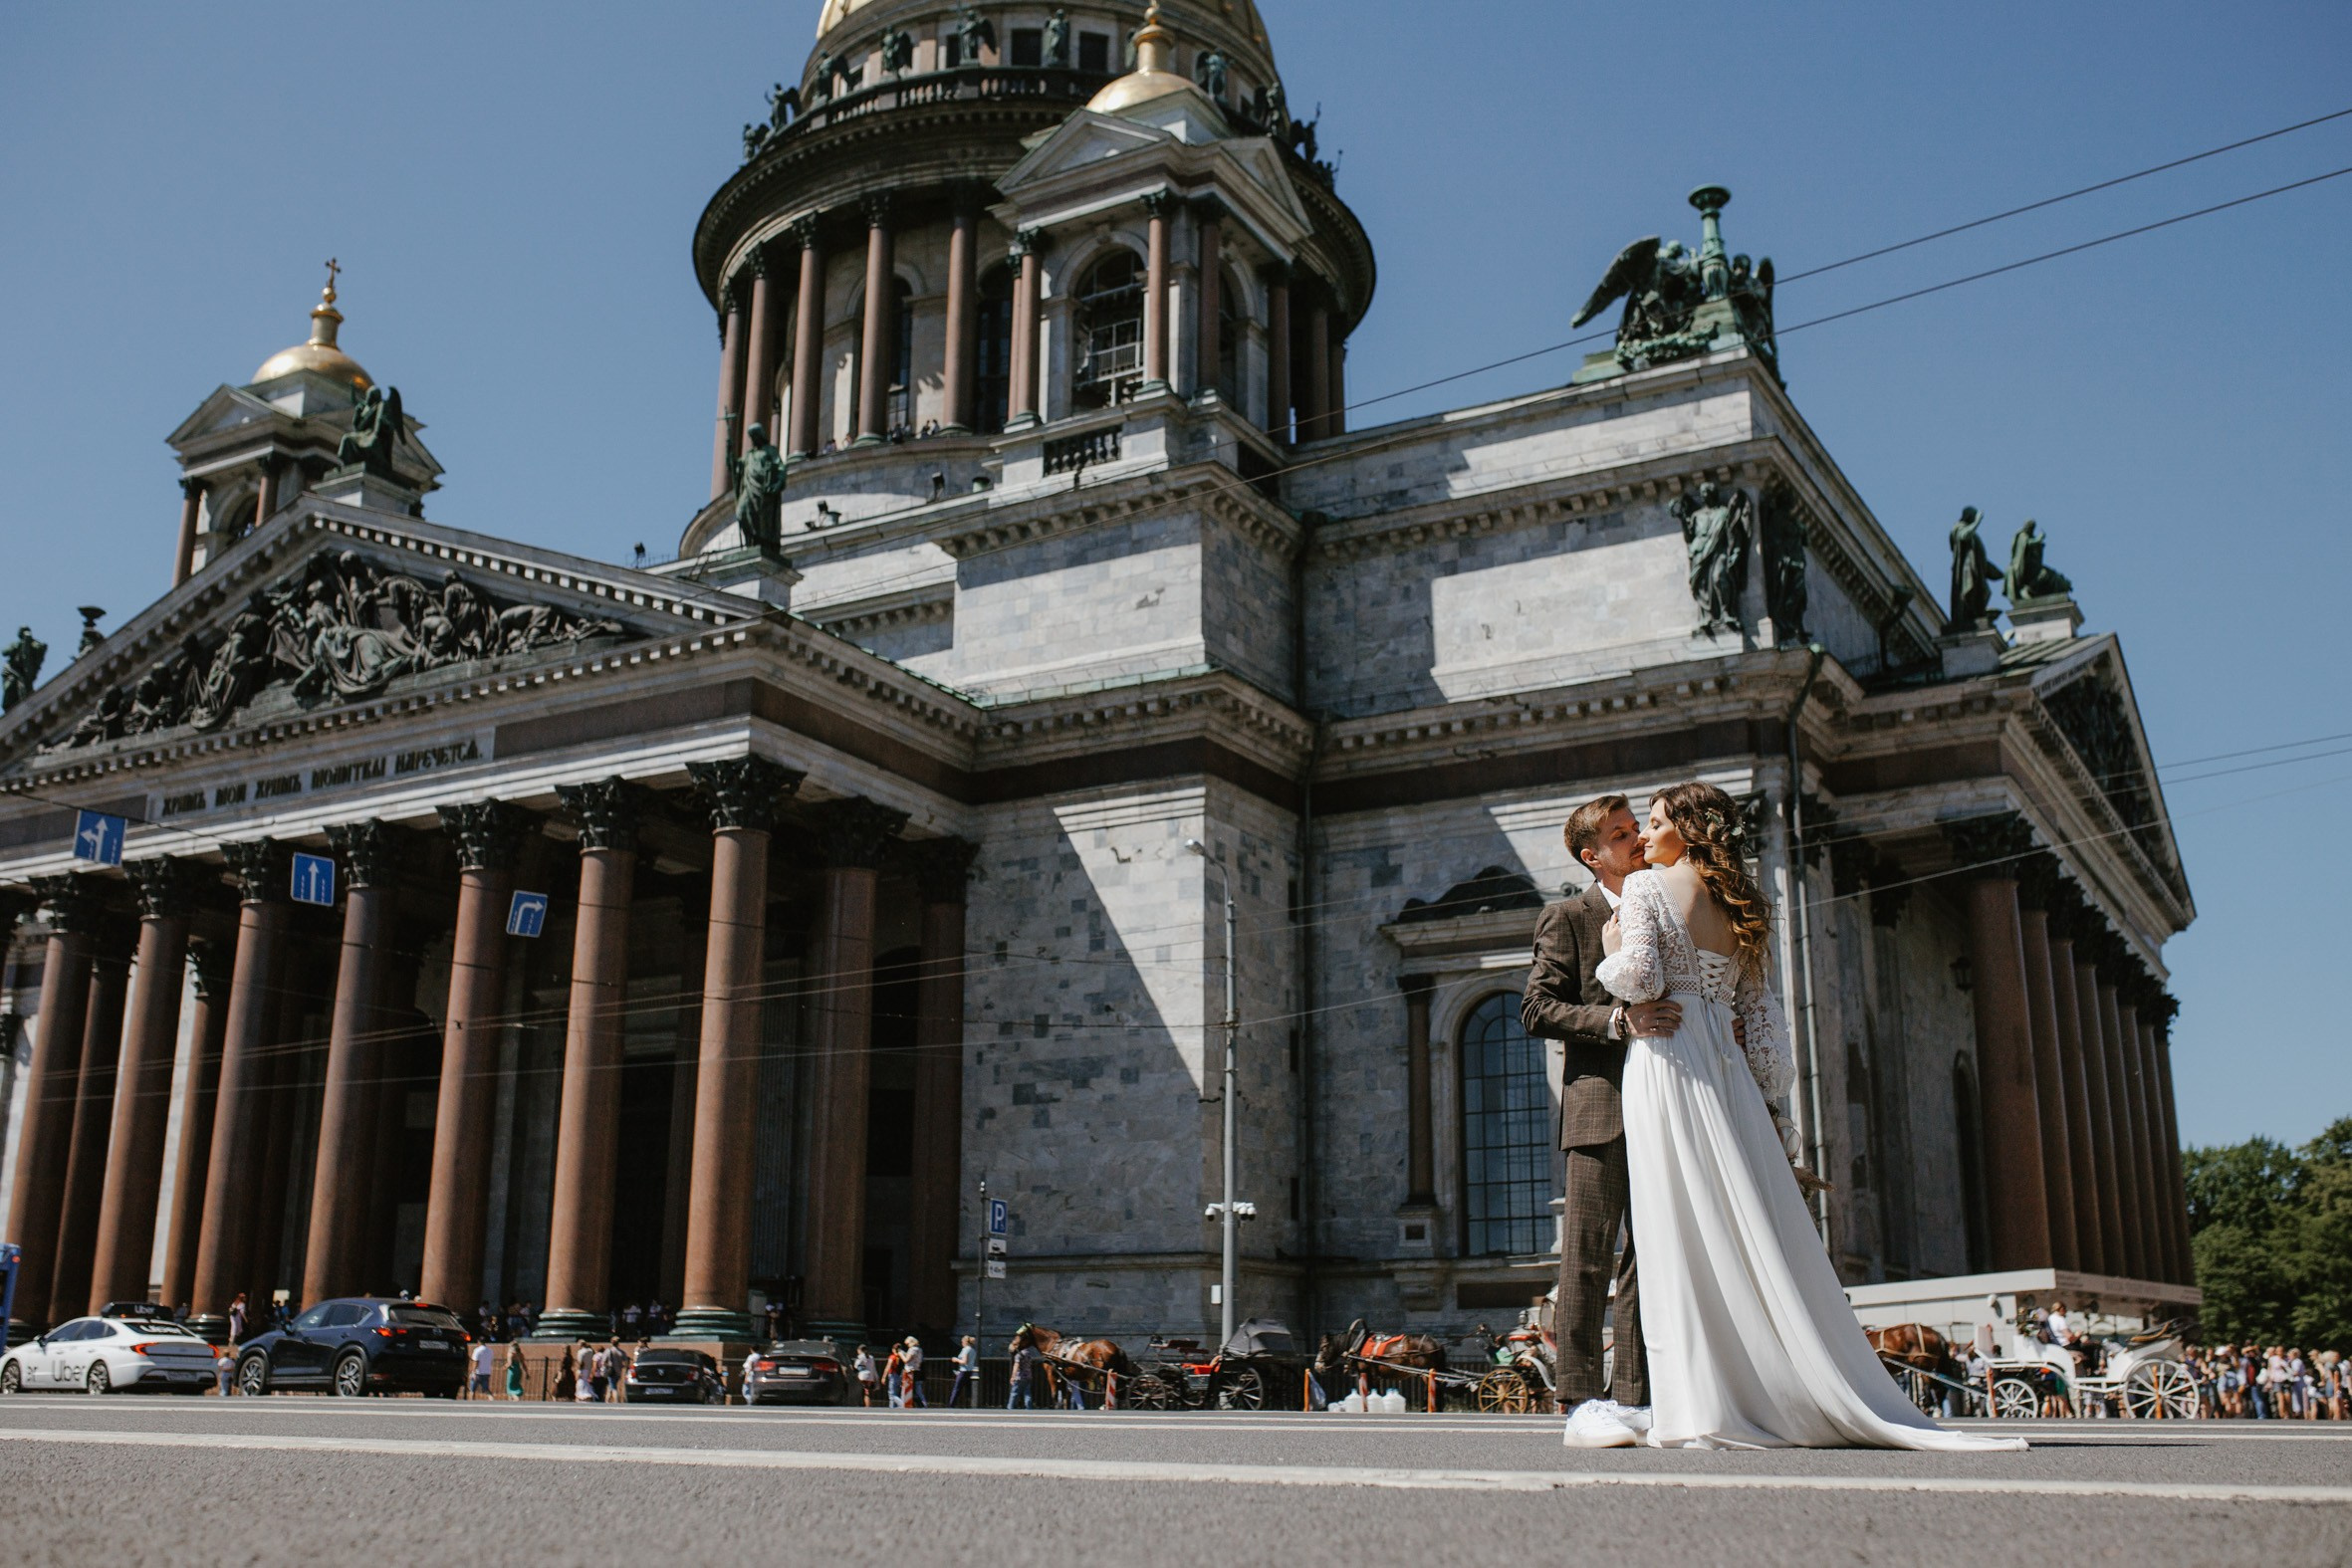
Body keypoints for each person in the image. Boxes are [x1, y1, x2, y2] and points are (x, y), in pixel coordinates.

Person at [1593, 781, 2024, 1452]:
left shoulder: (1648, 887)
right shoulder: (1743, 904)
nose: (1643, 837)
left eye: (1653, 822)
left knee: (1675, 1224)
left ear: (1690, 828)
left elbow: (1642, 979)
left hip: (1669, 1057)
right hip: (1728, 1071)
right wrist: (1741, 1063)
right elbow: (1769, 1041)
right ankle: (1764, 1384)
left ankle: (1701, 1399)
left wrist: (1610, 947)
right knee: (1743, 1221)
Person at [1522, 792, 1667, 1449]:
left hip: (1661, 1104)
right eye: (1621, 833)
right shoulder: (1570, 916)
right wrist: (1616, 1020)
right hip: (1599, 1108)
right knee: (1586, 1254)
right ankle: (1579, 1398)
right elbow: (1536, 1008)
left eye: (1637, 828)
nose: (1637, 839)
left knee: (1647, 1256)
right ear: (1592, 855)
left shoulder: (1660, 907)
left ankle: (1634, 1397)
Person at [948, 1336, 979, 1408]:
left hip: (963, 1371)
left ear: (965, 1342)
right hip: (969, 1371)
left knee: (956, 1388)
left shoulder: (966, 1350)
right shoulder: (973, 1350)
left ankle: (951, 1404)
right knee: (968, 1388)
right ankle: (969, 1404)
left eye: (962, 1342)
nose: (961, 1343)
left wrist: (956, 1360)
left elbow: (964, 1361)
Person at [1009, 1341, 1042, 1410]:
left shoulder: (1018, 1355)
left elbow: (1016, 1365)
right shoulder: (1027, 1353)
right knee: (1027, 1393)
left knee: (1014, 1392)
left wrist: (1013, 1376)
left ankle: (1010, 1407)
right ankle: (1029, 1407)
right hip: (1028, 1376)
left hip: (1019, 1376)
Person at [902, 1337, 926, 1408]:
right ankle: (915, 1405)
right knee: (914, 1388)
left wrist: (900, 1353)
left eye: (907, 1344)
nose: (907, 1346)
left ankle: (920, 1404)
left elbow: (906, 1360)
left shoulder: (912, 1349)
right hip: (917, 1370)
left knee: (911, 1390)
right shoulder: (919, 1349)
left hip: (910, 1370)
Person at [882, 1342, 906, 1409]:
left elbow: (888, 1366)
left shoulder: (892, 1357)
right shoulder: (901, 1357)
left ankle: (903, 1405)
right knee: (896, 1393)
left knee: (892, 1394)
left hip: (893, 1375)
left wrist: (884, 1377)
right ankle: (892, 1407)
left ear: (893, 1349)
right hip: (899, 1375)